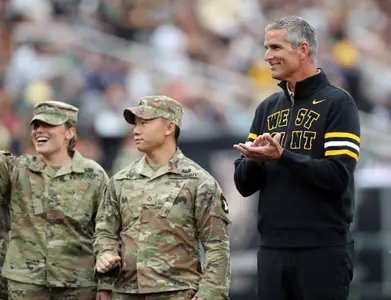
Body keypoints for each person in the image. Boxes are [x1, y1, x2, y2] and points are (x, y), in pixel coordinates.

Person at [233, 16, 360, 300]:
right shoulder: (267, 108)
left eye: (275, 48)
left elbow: (338, 176)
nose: (267, 56)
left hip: (323, 250)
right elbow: (244, 185)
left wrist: (283, 157)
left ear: (302, 50)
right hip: (272, 250)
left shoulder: (338, 103)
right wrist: (254, 160)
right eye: (266, 48)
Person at [93, 95, 231, 300]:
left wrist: (208, 294)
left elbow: (217, 245)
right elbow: (105, 232)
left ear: (169, 128)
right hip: (125, 293)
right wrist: (105, 256)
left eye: (145, 123)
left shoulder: (199, 182)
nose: (136, 130)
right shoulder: (120, 180)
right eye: (135, 124)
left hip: (177, 293)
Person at [0, 101, 110, 300]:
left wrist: (106, 283)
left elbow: (106, 230)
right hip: (26, 282)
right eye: (36, 126)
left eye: (49, 125)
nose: (39, 130)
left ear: (69, 132)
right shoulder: (16, 169)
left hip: (77, 284)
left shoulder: (94, 175)